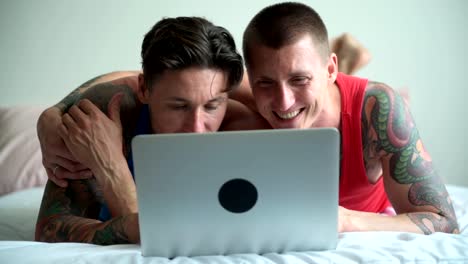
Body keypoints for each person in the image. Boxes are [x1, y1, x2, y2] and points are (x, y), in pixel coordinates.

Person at [35, 16, 267, 244]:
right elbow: (50, 229)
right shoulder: (105, 115)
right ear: (144, 89)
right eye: (178, 106)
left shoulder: (244, 128)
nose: (196, 128)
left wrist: (112, 169)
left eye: (211, 106)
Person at [240, 2, 458, 234]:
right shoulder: (231, 100)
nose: (284, 102)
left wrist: (344, 220)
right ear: (250, 77)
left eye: (299, 79)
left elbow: (444, 221)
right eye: (265, 83)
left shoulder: (379, 108)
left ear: (330, 69)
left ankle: (346, 64)